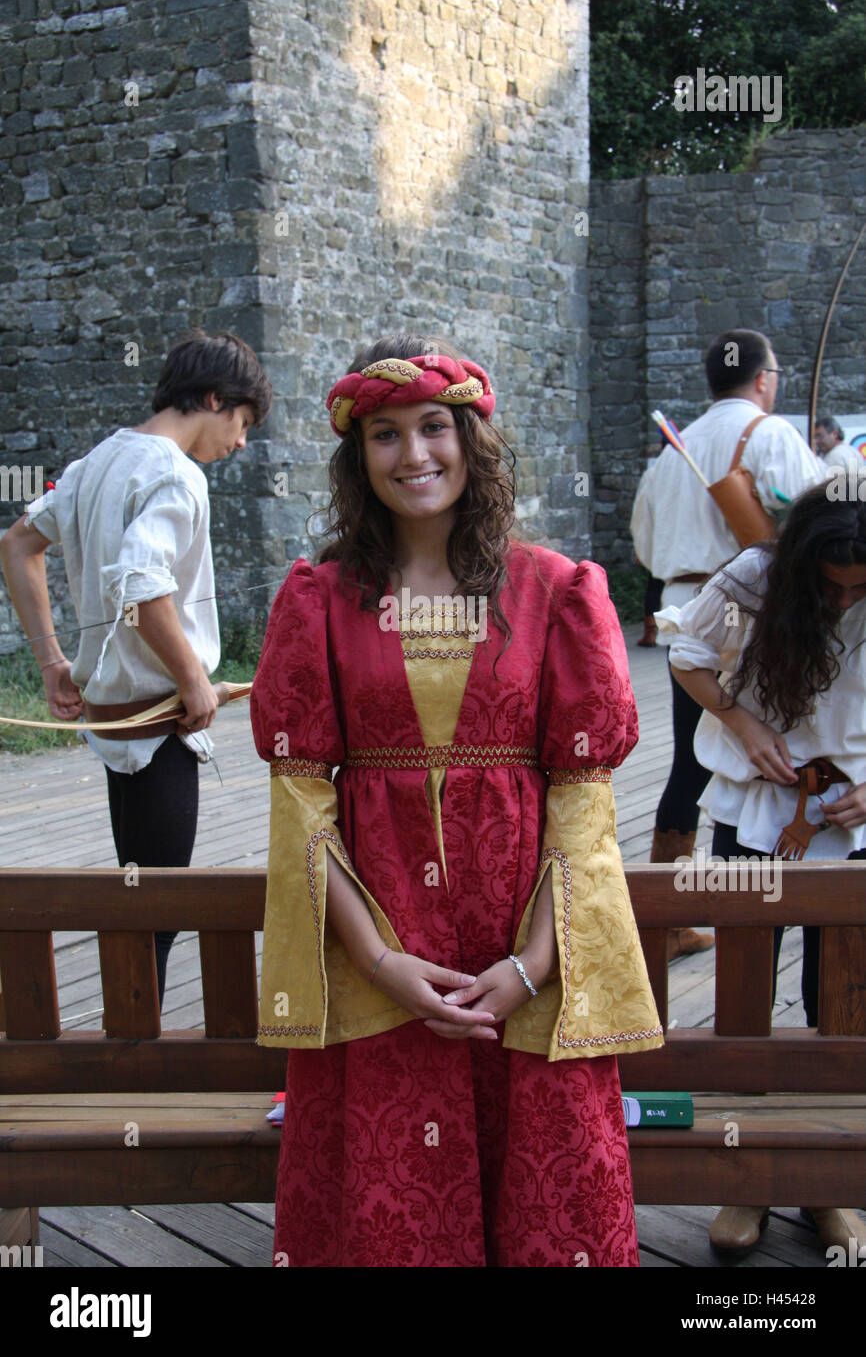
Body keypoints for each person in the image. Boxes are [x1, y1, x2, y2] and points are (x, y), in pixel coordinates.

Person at [249, 333, 664, 1268]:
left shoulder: (555, 591)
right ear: (359, 458)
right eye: (385, 435)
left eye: (433, 426)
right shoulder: (319, 600)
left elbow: (582, 805)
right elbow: (302, 807)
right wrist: (379, 961)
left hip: (525, 948)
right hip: (382, 947)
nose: (413, 455)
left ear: (471, 438)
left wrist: (530, 966)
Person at [0, 329, 271, 1009]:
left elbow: (16, 543)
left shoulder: (95, 464)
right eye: (240, 423)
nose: (239, 443)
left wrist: (52, 660)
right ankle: (136, 1054)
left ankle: (132, 1039)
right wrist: (191, 679)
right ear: (214, 399)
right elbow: (141, 581)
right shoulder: (177, 473)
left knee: (141, 893)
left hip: (116, 731)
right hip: (157, 729)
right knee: (160, 908)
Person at [659, 481, 866, 1259]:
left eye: (860, 586)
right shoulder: (754, 577)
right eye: (830, 584)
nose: (844, 600)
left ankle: (830, 1186)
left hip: (852, 820)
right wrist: (741, 722)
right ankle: (745, 1183)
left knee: (838, 1001)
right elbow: (685, 653)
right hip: (757, 811)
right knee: (746, 996)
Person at [630, 328, 828, 960]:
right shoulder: (770, 435)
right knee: (778, 754)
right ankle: (794, 896)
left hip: (683, 610)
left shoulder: (673, 450)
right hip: (758, 613)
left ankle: (669, 921)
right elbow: (820, 530)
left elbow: (642, 542)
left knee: (692, 760)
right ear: (765, 380)